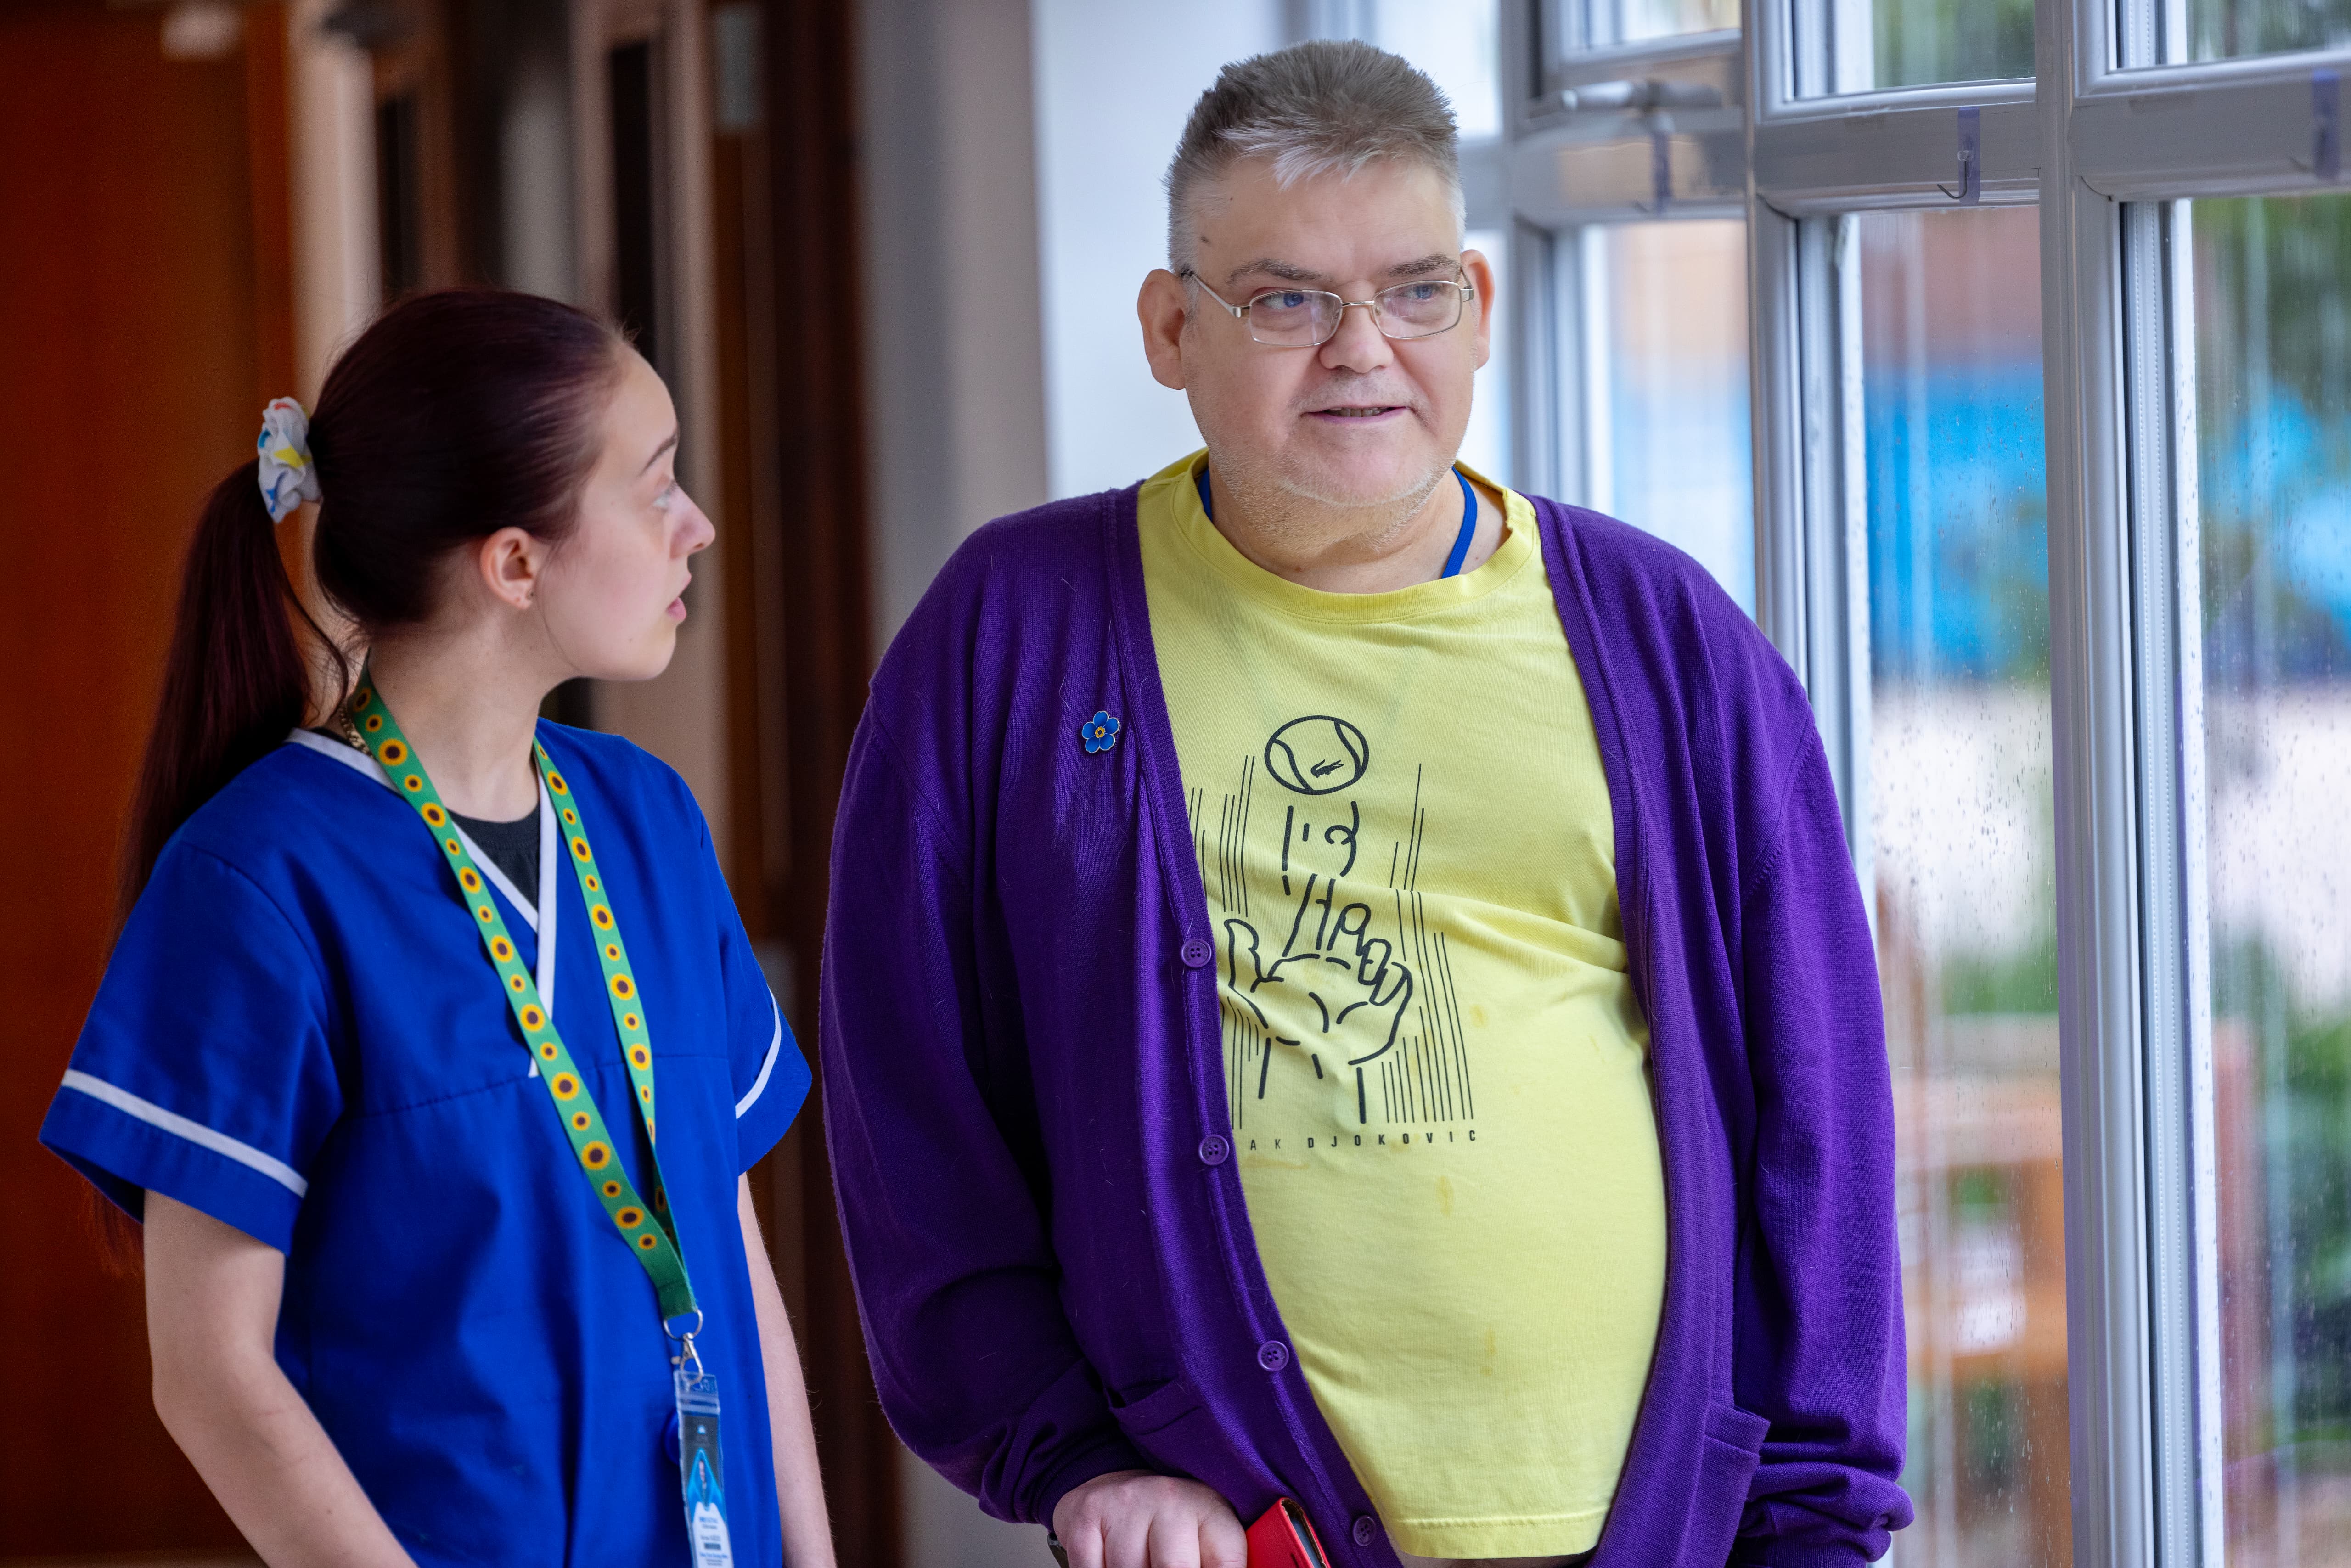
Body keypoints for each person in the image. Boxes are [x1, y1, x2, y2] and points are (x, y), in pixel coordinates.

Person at [821, 39, 1910, 1568]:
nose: (1361, 348)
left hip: (1657, 1527)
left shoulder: (1665, 636)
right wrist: (1065, 1456)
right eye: (1284, 299)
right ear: (1168, 327)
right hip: (1240, 1536)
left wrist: (1818, 1526)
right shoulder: (1012, 629)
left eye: (1414, 290)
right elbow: (911, 1108)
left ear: (1477, 299)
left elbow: (1821, 1115)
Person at [39, 289, 834, 1568]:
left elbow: (727, 1236)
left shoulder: (649, 823)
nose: (699, 527)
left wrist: (810, 1550)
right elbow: (211, 1373)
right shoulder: (258, 880)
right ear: (516, 562)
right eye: (657, 486)